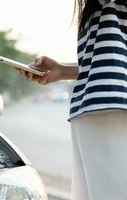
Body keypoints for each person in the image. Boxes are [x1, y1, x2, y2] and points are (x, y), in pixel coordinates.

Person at [19, 0, 127, 199]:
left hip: (111, 108)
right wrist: (62, 70)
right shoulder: (97, 8)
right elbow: (114, 58)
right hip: (94, 109)